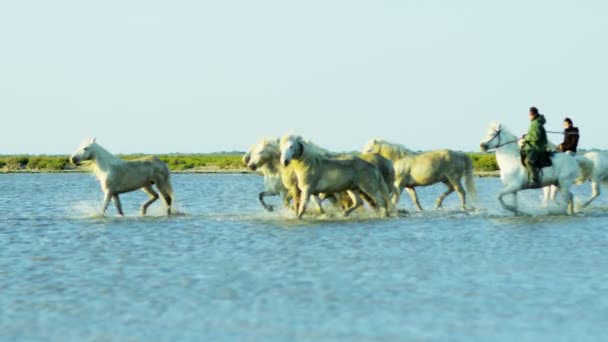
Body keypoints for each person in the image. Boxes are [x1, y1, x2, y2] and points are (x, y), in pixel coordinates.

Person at [521, 106, 548, 187]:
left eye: (529, 113)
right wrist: (527, 136)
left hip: (537, 147)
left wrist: (526, 137)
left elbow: (535, 137)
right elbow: (533, 135)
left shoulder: (536, 123)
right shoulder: (535, 122)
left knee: (528, 161)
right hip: (533, 145)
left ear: (531, 114)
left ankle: (535, 180)